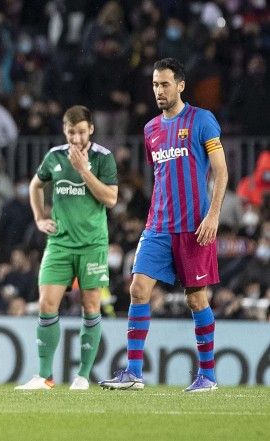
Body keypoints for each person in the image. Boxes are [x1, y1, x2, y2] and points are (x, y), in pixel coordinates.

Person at [99, 58, 228, 393]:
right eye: (155, 84)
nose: (159, 90)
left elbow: (221, 171)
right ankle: (134, 372)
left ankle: (208, 377)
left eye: (165, 84)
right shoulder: (150, 129)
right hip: (158, 226)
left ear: (181, 85)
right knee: (138, 289)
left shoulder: (202, 120)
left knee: (196, 299)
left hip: (194, 228)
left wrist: (213, 215)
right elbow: (160, 176)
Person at [15, 105, 118, 391]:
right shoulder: (54, 156)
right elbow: (35, 186)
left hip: (92, 245)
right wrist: (38, 218)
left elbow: (110, 199)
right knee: (47, 305)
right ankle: (45, 377)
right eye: (71, 132)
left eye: (81, 132)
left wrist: (84, 171)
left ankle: (83, 376)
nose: (76, 138)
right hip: (59, 243)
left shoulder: (103, 159)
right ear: (65, 130)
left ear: (91, 130)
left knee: (90, 307)